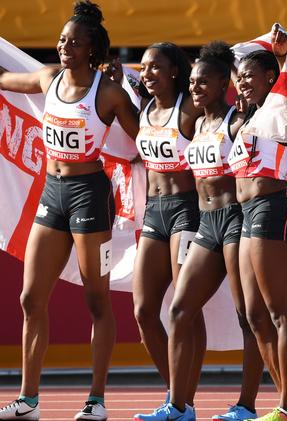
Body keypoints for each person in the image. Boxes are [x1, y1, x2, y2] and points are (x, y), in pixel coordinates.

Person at [0, 1, 138, 420]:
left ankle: (96, 401)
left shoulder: (107, 91)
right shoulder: (48, 78)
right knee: (30, 298)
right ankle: (28, 400)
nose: (65, 47)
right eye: (62, 40)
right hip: (53, 194)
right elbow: (5, 79)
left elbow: (146, 136)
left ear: (92, 49)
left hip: (90, 196)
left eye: (74, 42)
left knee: (97, 300)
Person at [139, 41, 263, 421]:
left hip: (235, 222)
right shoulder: (196, 123)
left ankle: (246, 405)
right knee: (179, 309)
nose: (195, 88)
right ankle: (179, 406)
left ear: (223, 82)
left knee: (249, 316)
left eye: (203, 82)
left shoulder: (237, 121)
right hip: (205, 224)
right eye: (192, 82)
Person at [227, 24, 287, 421]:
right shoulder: (246, 117)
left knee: (280, 313)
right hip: (246, 215)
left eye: (249, 75)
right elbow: (232, 68)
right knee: (255, 316)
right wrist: (241, 62)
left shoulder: (283, 106)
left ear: (273, 78)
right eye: (238, 76)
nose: (241, 82)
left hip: (274, 208)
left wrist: (281, 48)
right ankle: (283, 403)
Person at [132, 42, 201, 421]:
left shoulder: (188, 108)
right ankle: (176, 393)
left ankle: (181, 404)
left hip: (186, 211)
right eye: (143, 68)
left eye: (155, 67)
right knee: (144, 311)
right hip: (153, 212)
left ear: (175, 71)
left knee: (184, 308)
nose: (147, 74)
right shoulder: (141, 110)